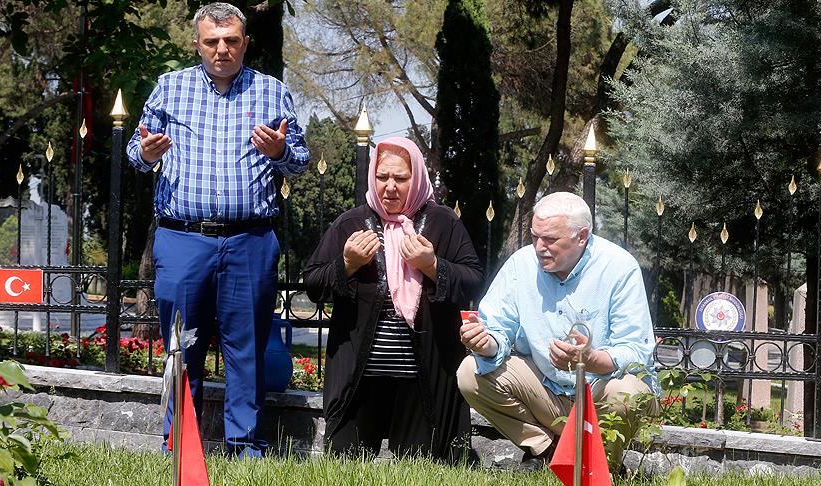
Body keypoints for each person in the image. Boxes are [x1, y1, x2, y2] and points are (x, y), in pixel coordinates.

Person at [125, 2, 309, 458]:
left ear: (246, 43)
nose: (222, 49)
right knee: (180, 345)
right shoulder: (170, 88)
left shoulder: (272, 91)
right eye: (212, 41)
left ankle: (246, 447)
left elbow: (300, 161)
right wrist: (146, 153)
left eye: (231, 41)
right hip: (183, 239)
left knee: (246, 349)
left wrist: (281, 152)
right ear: (197, 45)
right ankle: (179, 445)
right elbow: (134, 152)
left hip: (250, 240)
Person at [303, 137, 484, 462]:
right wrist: (347, 265)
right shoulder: (351, 223)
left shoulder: (443, 222)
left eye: (400, 178)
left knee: (421, 467)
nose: (389, 187)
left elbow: (473, 281)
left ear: (417, 178)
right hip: (359, 379)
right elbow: (314, 284)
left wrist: (432, 266)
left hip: (423, 380)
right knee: (344, 465)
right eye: (382, 177)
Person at [456, 192, 659, 471]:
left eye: (550, 239)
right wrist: (485, 343)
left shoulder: (619, 267)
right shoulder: (520, 264)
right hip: (546, 389)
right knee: (470, 372)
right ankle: (546, 451)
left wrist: (590, 359)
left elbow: (637, 352)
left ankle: (601, 465)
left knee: (629, 393)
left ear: (582, 236)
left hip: (599, 391)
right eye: (534, 237)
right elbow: (497, 328)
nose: (539, 247)